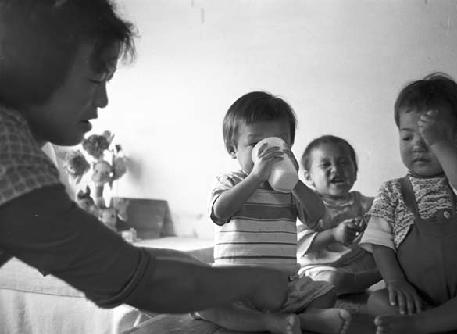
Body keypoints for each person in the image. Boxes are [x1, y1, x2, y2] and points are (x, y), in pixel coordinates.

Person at [0, 0, 290, 315]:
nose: (104, 99)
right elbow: (140, 281)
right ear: (36, 69)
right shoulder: (9, 156)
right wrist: (256, 281)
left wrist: (212, 273)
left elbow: (125, 261)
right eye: (96, 80)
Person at [196, 91, 351, 334]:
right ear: (232, 148)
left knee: (326, 291)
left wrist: (296, 182)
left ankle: (309, 319)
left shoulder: (288, 188)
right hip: (234, 283)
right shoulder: (230, 180)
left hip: (282, 286)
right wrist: (256, 176)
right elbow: (220, 211)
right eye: (257, 144)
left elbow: (316, 215)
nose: (268, 153)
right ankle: (268, 323)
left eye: (279, 144)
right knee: (201, 300)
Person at [359, 72, 457, 333]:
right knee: (376, 301)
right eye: (407, 137)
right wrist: (395, 281)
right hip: (415, 294)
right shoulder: (391, 191)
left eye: (430, 137)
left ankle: (421, 324)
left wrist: (441, 145)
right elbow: (380, 243)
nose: (418, 146)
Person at [297, 135, 381, 295]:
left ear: (355, 170)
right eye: (325, 164)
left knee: (389, 257)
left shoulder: (363, 203)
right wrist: (334, 234)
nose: (336, 169)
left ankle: (361, 279)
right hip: (320, 266)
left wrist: (369, 224)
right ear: (308, 177)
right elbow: (301, 244)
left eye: (344, 163)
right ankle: (351, 283)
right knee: (330, 280)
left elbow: (382, 221)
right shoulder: (305, 205)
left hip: (354, 263)